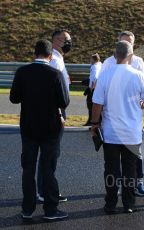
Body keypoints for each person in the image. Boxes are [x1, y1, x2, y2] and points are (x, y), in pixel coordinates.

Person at [91, 40, 144, 214]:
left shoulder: (105, 75)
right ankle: (129, 203)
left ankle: (110, 203)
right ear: (131, 55)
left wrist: (95, 124)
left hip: (111, 132)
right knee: (130, 169)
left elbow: (97, 103)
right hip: (132, 133)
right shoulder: (139, 75)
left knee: (111, 169)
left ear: (115, 55)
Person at [10, 39, 70, 220]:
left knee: (28, 168)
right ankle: (51, 210)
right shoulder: (55, 74)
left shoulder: (22, 72)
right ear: (50, 56)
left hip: (28, 126)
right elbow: (64, 102)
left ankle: (27, 209)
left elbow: (14, 98)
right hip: (50, 128)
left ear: (34, 54)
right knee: (48, 169)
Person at [101, 31, 144, 197]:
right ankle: (114, 193)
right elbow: (100, 87)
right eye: (124, 41)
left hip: (131, 115)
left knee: (136, 153)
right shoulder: (108, 63)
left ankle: (138, 183)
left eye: (130, 42)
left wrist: (143, 99)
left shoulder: (138, 61)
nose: (128, 44)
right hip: (113, 116)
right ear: (118, 43)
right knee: (113, 160)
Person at [36, 29, 72, 203]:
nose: (69, 43)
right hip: (54, 112)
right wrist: (59, 114)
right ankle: (45, 191)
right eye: (66, 40)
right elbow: (52, 92)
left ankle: (45, 189)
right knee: (50, 153)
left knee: (49, 154)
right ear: (56, 41)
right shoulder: (55, 61)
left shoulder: (58, 60)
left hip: (54, 110)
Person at [84, 53, 102, 126]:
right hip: (97, 88)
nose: (90, 60)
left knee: (90, 105)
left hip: (93, 89)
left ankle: (91, 121)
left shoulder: (95, 67)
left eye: (91, 59)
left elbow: (95, 78)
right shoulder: (100, 65)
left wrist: (91, 88)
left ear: (94, 59)